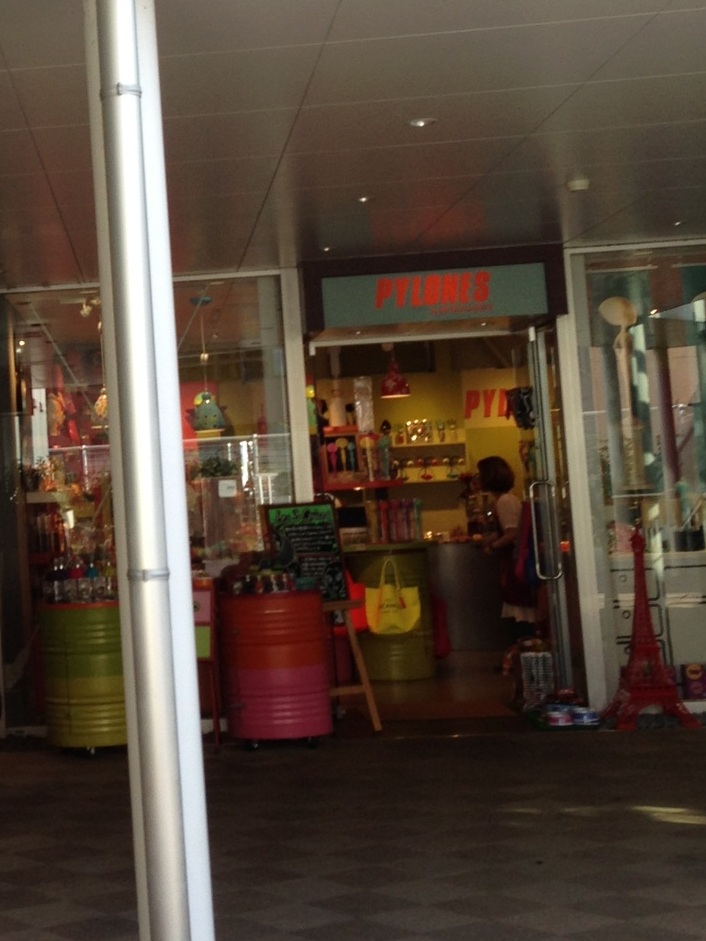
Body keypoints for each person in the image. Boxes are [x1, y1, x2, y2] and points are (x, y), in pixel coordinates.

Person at [476, 455, 536, 639]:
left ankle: (523, 645)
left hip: (513, 560)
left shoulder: (504, 501)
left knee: (518, 608)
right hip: (514, 559)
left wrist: (492, 546)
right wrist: (490, 539)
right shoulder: (509, 499)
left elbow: (512, 533)